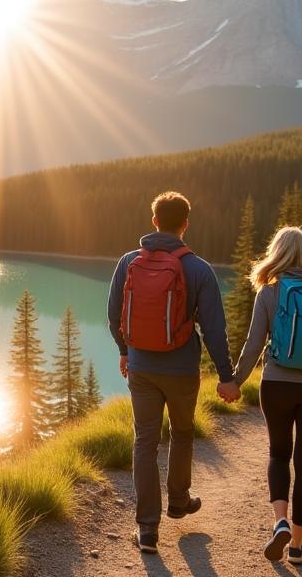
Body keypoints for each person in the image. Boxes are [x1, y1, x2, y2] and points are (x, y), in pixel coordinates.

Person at [107, 191, 234, 555]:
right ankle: (178, 501)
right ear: (185, 224)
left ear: (154, 221)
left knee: (144, 441)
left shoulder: (129, 261)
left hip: (142, 369)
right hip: (182, 371)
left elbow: (114, 314)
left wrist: (124, 351)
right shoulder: (199, 269)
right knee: (181, 432)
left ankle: (147, 529)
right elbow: (213, 329)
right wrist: (226, 376)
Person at [218, 226, 302, 566]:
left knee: (279, 454)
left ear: (278, 254)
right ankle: (296, 545)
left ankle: (279, 520)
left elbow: (253, 344)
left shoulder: (270, 292)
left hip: (276, 385)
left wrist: (235, 382)